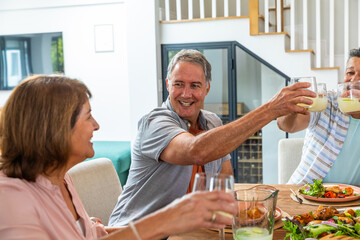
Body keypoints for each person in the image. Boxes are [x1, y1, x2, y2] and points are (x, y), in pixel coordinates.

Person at [0, 75, 237, 240]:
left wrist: (171, 220)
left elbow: (95, 237)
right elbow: (196, 150)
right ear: (55, 127)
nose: (96, 125)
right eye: (88, 117)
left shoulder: (61, 178)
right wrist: (167, 219)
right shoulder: (11, 197)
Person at [109, 49, 316, 227]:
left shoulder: (212, 122)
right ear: (167, 85)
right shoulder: (153, 123)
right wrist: (270, 110)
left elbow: (224, 181)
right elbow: (196, 151)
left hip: (186, 229)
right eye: (179, 84)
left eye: (195, 85)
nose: (186, 93)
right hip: (135, 231)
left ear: (207, 88)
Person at [277, 48, 360, 185]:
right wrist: (292, 109)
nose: (354, 80)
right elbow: (287, 126)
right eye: (350, 73)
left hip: (352, 200)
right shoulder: (327, 102)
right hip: (304, 193)